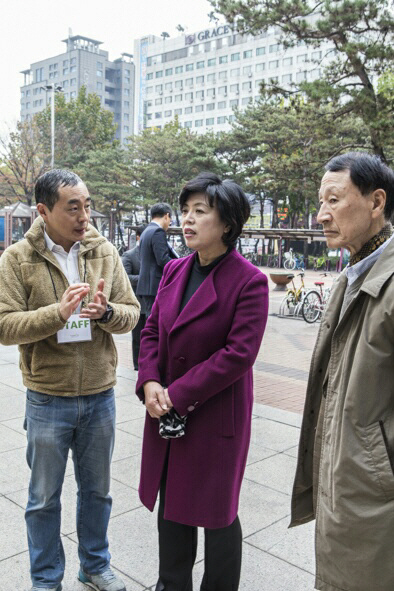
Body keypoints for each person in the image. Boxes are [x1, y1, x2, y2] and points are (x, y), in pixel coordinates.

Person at [0, 169, 140, 591]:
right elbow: (5, 326)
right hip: (47, 398)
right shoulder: (16, 259)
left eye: (87, 204)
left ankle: (95, 566)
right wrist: (56, 315)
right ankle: (45, 579)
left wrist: (107, 313)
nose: (84, 215)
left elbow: (131, 312)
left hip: (100, 396)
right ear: (43, 211)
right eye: (73, 207)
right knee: (43, 498)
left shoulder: (104, 251)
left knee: (97, 493)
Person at [135, 172, 269, 591]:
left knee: (217, 513)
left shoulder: (249, 281)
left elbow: (238, 355)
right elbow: (152, 329)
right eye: (185, 211)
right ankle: (170, 584)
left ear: (227, 222)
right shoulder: (175, 269)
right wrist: (150, 381)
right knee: (172, 505)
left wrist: (178, 392)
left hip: (214, 416)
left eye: (200, 212)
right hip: (168, 412)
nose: (187, 220)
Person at [290, 152, 394, 591]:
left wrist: (380, 461)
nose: (321, 215)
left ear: (376, 202)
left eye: (334, 200)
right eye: (320, 201)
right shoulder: (353, 273)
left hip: (374, 486)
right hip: (346, 473)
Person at [136, 203, 178, 317]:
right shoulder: (158, 232)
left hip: (147, 286)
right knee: (155, 322)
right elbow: (163, 259)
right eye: (170, 219)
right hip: (155, 285)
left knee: (151, 319)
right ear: (166, 216)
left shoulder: (146, 231)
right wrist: (180, 266)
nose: (169, 223)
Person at [122, 224, 147, 370]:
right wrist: (146, 278)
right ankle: (138, 366)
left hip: (154, 303)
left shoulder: (154, 253)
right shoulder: (129, 255)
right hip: (138, 302)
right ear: (139, 237)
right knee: (138, 337)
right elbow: (126, 277)